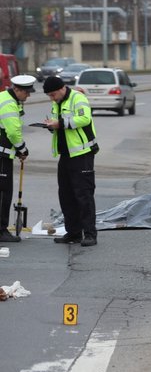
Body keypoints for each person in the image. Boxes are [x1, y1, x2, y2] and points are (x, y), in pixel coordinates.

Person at [42, 76, 98, 247]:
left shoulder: (78, 98)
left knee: (84, 195)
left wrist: (59, 123)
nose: (52, 98)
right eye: (49, 96)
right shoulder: (56, 103)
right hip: (65, 154)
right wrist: (51, 126)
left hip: (82, 153)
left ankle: (90, 234)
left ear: (62, 88)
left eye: (53, 95)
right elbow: (60, 127)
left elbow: (84, 119)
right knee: (66, 195)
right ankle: (73, 233)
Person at [0, 75, 35, 243]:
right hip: (1, 155)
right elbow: (13, 132)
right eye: (26, 93)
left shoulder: (6, 98)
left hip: (4, 152)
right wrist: (22, 149)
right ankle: (1, 231)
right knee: (3, 192)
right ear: (17, 90)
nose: (28, 96)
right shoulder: (8, 104)